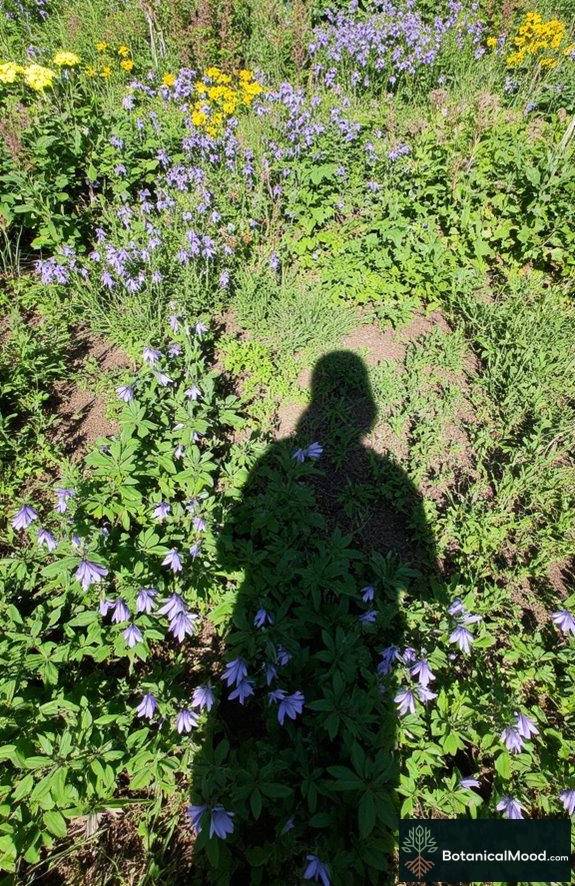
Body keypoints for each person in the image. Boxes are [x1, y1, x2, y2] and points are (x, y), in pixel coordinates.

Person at [191, 351, 441, 884]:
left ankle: (447, 851)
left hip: (303, 654)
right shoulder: (365, 468)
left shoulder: (282, 457)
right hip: (331, 675)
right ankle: (470, 851)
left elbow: (235, 554)